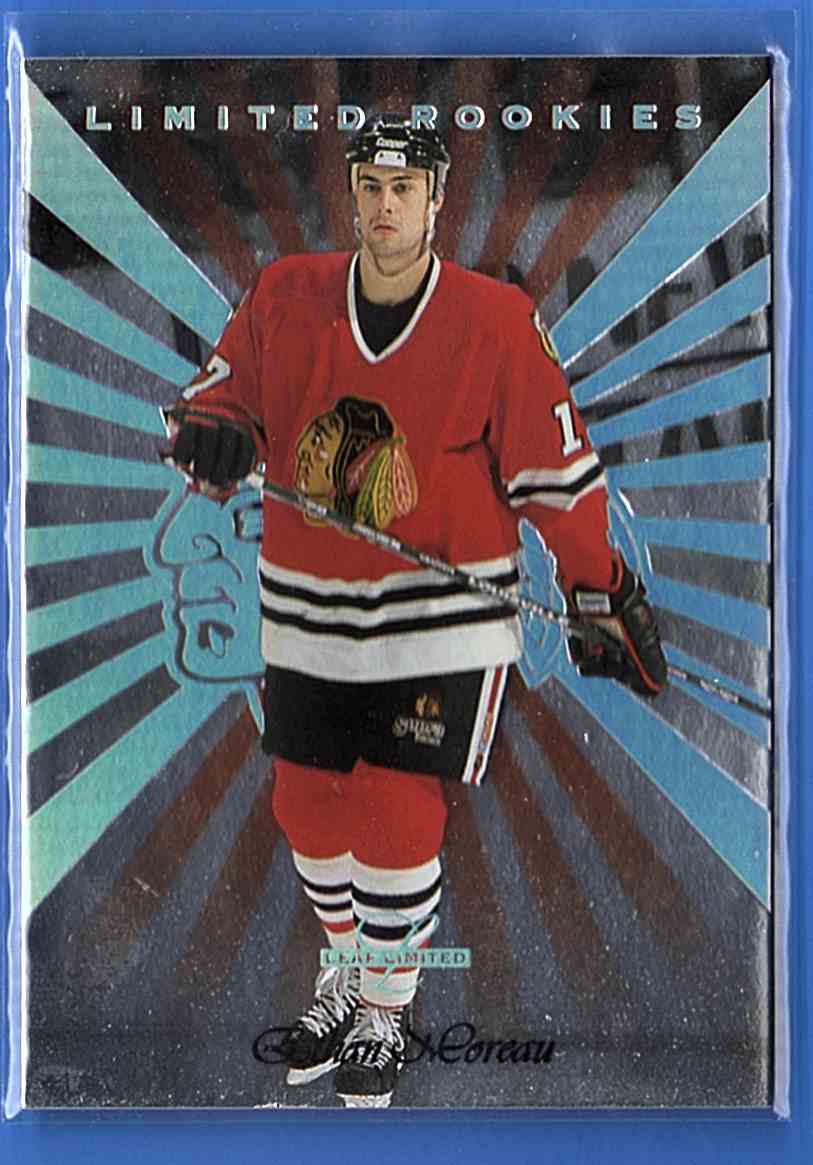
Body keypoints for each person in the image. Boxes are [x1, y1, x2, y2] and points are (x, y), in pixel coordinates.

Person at [164, 114, 667, 1108]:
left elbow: (556, 470)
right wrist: (211, 436)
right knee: (308, 806)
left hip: (441, 616)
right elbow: (218, 402)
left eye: (405, 188)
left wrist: (598, 582)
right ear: (351, 196)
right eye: (371, 186)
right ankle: (347, 973)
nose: (385, 205)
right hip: (307, 611)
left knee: (394, 813)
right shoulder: (285, 296)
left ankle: (387, 1009)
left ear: (436, 202)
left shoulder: (494, 319)